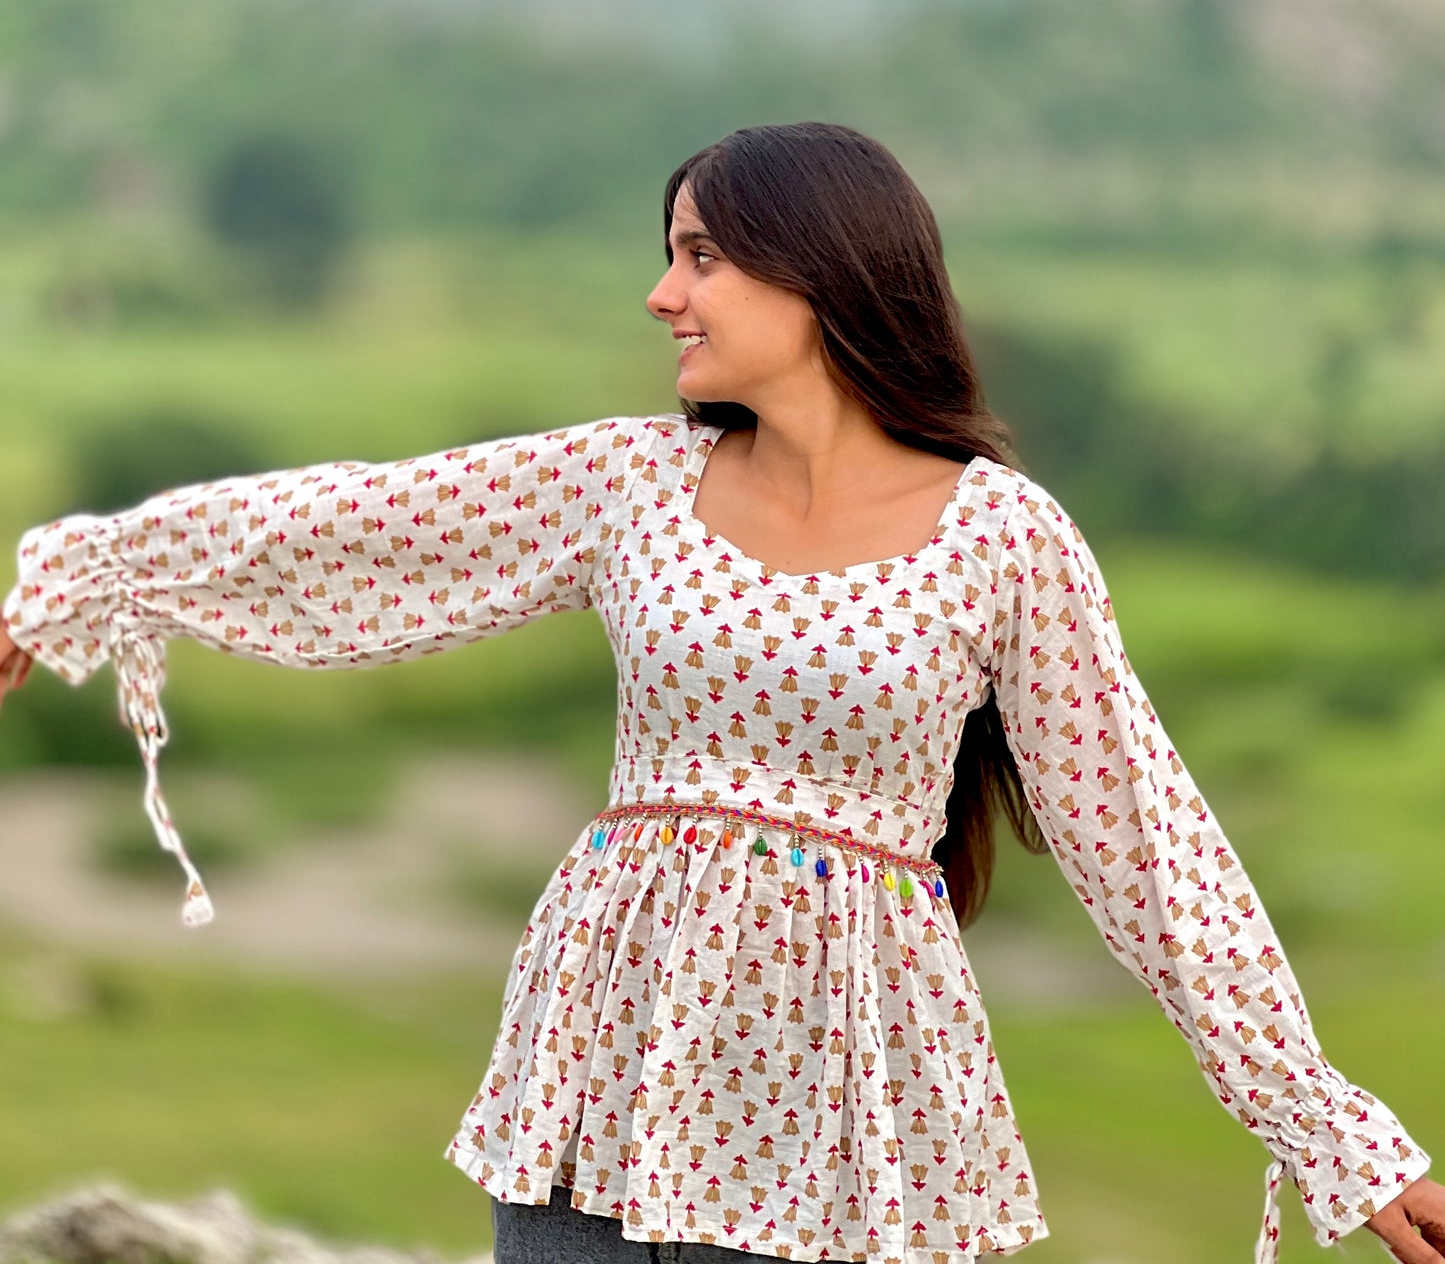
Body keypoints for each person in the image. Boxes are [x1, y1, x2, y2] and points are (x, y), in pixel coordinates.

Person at [1, 120, 1439, 1264]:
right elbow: (360, 522)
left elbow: (1146, 843)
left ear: (814, 269)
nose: (660, 294)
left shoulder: (1003, 537)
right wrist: (75, 576)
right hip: (604, 1043)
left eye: (696, 257)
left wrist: (1335, 1135)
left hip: (845, 1082)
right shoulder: (634, 478)